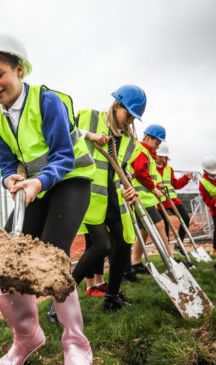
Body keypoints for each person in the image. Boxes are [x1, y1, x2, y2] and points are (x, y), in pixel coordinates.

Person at [0, 31, 95, 365]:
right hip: (35, 186)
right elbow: (8, 162)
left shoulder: (48, 102)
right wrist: (10, 176)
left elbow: (64, 157)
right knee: (6, 261)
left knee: (52, 258)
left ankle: (76, 344)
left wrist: (38, 181)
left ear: (19, 69)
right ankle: (27, 337)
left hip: (70, 180)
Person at [72, 85, 145, 312]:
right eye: (129, 114)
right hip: (90, 194)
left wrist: (129, 184)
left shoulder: (129, 139)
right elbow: (62, 129)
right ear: (116, 106)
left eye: (134, 117)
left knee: (123, 243)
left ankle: (112, 297)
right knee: (102, 245)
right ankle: (60, 300)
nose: (130, 121)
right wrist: (89, 135)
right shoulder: (89, 118)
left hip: (113, 196)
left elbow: (121, 168)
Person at [129, 124, 176, 273]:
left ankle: (135, 263)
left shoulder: (148, 152)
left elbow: (147, 175)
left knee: (143, 231)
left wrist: (156, 184)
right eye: (156, 143)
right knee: (160, 224)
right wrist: (153, 188)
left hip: (145, 198)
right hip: (141, 197)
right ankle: (171, 258)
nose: (157, 147)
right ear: (148, 138)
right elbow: (140, 173)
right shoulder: (142, 150)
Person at [155, 143, 194, 252]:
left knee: (185, 218)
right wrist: (157, 186)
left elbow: (175, 185)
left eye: (165, 157)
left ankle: (178, 245)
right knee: (165, 225)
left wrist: (185, 179)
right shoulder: (150, 167)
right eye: (160, 156)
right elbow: (147, 182)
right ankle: (167, 253)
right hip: (158, 201)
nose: (163, 159)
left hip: (172, 199)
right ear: (154, 155)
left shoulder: (169, 169)